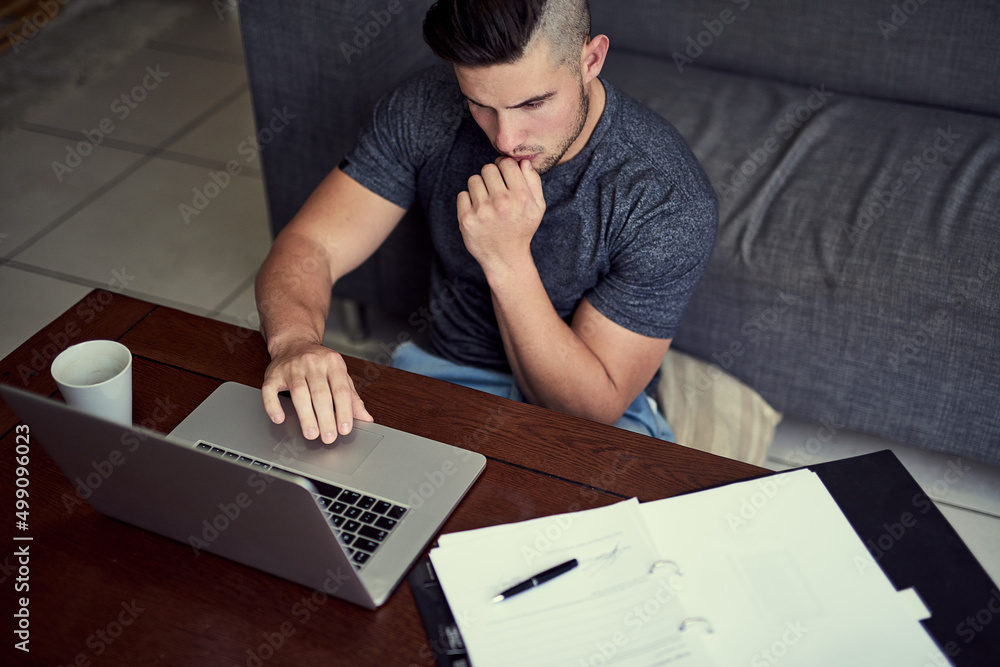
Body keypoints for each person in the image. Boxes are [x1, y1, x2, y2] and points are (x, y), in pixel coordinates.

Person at [254, 0, 717, 444]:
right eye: (479, 103)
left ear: (591, 58)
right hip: (445, 370)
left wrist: (506, 258)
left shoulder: (666, 199)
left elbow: (588, 411)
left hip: (594, 409)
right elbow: (312, 244)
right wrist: (295, 342)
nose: (507, 138)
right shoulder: (424, 107)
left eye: (533, 103)